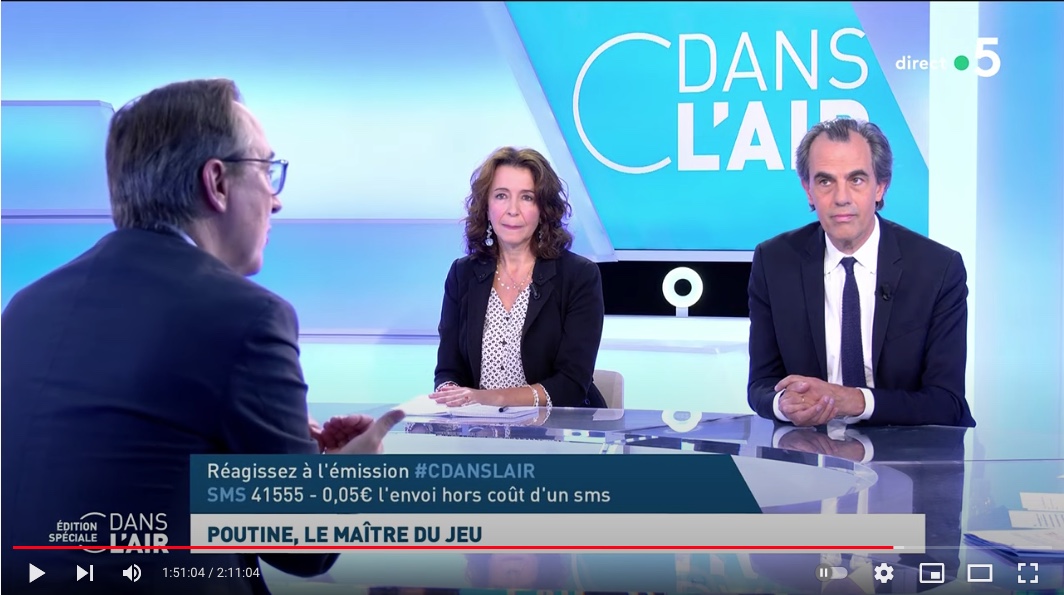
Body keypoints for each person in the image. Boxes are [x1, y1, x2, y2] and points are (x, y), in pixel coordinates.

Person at [0, 78, 404, 595]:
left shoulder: (25, 308)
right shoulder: (248, 316)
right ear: (217, 182)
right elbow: (303, 547)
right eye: (266, 171)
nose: (277, 202)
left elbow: (139, 468)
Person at [746, 117, 975, 427]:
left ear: (880, 186)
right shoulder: (774, 262)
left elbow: (946, 403)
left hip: (912, 447)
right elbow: (761, 385)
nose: (841, 197)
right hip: (812, 449)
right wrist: (783, 403)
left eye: (856, 180)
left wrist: (852, 400)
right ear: (808, 190)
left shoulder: (937, 269)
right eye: (825, 181)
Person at [432, 147, 606, 409]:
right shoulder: (463, 274)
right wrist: (451, 394)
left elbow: (571, 382)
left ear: (543, 209)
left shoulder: (579, 276)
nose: (512, 210)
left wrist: (493, 398)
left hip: (558, 426)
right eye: (501, 196)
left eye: (527, 197)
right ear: (486, 206)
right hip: (480, 426)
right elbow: (448, 368)